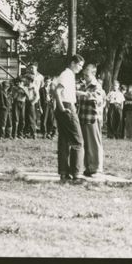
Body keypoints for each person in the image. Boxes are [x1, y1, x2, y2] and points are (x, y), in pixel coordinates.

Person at [53, 54, 85, 182]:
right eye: (79, 65)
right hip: (66, 107)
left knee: (64, 141)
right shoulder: (67, 74)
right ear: (72, 63)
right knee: (78, 141)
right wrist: (62, 108)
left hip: (66, 106)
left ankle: (64, 172)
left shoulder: (68, 75)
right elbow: (57, 91)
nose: (81, 68)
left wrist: (82, 93)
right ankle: (76, 173)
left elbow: (67, 92)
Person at [78, 63, 106, 178]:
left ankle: (97, 168)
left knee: (94, 144)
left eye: (87, 74)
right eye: (84, 74)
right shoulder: (85, 85)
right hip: (84, 118)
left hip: (93, 119)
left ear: (93, 73)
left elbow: (96, 97)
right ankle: (89, 167)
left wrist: (82, 94)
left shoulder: (97, 85)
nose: (84, 76)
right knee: (87, 144)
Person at [28, 61, 45, 135]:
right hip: (29, 95)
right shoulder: (27, 75)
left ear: (36, 68)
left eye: (32, 68)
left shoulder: (41, 76)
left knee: (37, 112)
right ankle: (29, 129)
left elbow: (41, 86)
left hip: (37, 96)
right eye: (30, 68)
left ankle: (36, 128)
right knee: (29, 113)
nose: (31, 69)